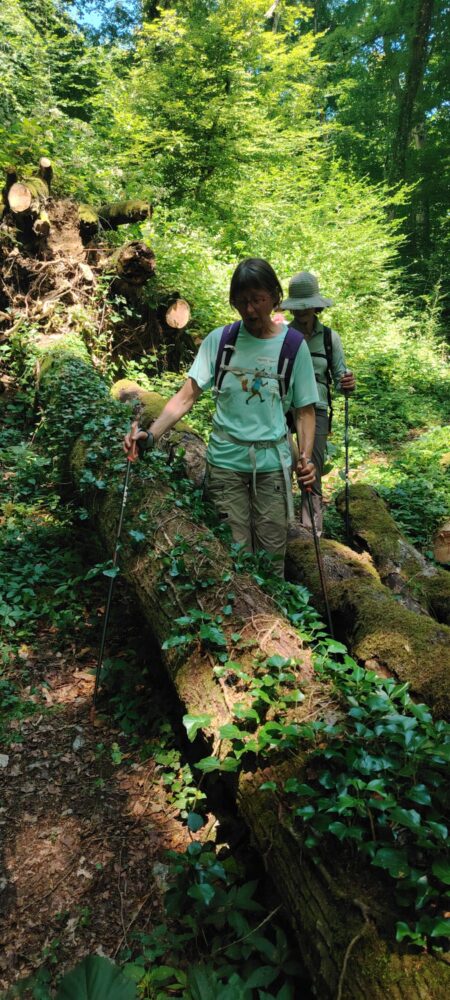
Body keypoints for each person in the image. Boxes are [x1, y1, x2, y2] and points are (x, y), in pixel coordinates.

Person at [124, 258, 319, 577]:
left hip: (272, 467)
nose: (250, 309)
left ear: (274, 297)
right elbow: (186, 396)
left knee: (271, 560)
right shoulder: (221, 341)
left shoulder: (293, 346)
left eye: (258, 299)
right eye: (242, 301)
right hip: (225, 466)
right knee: (234, 557)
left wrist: (306, 458)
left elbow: (305, 410)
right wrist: (151, 435)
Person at [281, 271, 356, 535]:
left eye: (307, 305)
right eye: (298, 306)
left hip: (318, 407)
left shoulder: (329, 338)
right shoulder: (282, 335)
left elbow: (340, 377)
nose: (302, 311)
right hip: (284, 408)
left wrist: (347, 383)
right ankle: (281, 524)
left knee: (310, 467)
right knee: (281, 464)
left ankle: (312, 531)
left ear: (316, 306)